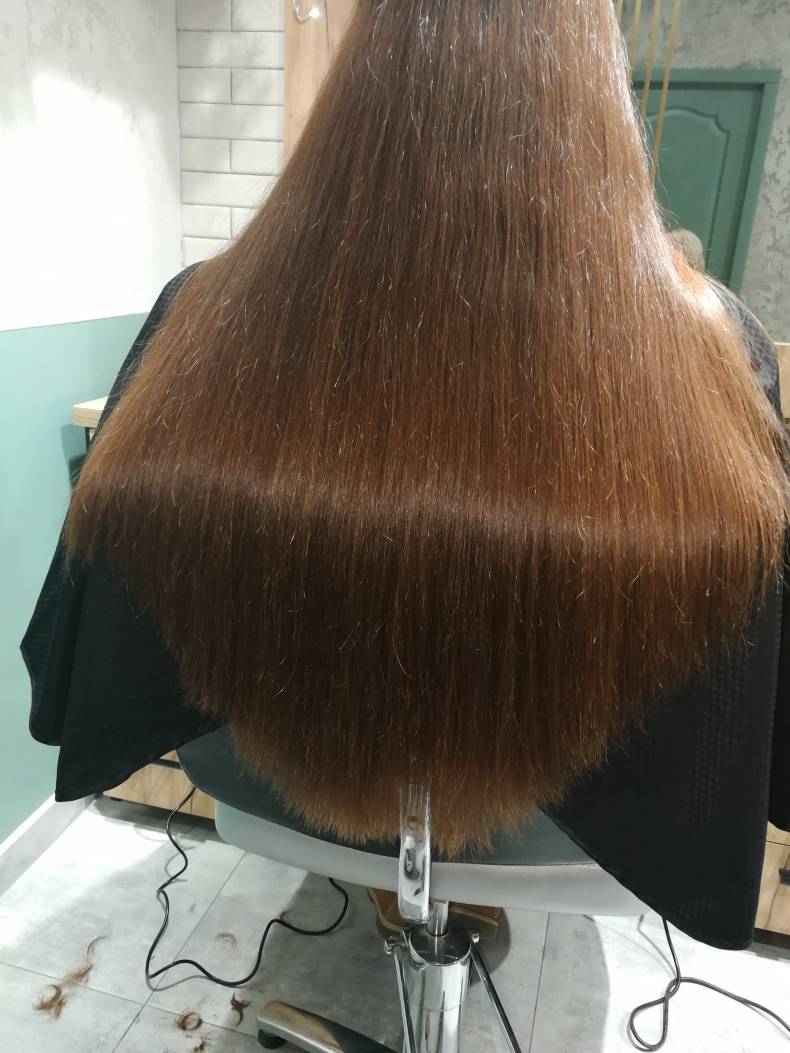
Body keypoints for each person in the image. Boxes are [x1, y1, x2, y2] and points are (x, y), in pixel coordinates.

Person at [24, 0, 788, 949]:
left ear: (359, 84)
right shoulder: (719, 345)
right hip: (567, 821)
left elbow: (83, 627)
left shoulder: (196, 313)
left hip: (274, 790)